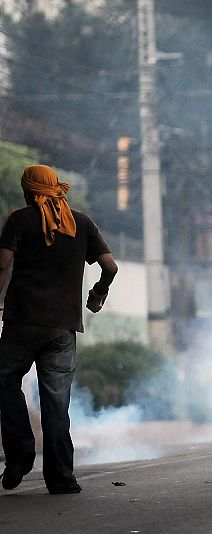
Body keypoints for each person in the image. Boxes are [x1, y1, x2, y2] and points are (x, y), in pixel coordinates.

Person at [0, 164, 117, 494]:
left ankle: (20, 454)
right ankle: (62, 478)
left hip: (22, 322)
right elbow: (110, 266)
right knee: (56, 405)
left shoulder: (18, 220)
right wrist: (98, 294)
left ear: (28, 190)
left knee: (5, 380)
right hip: (63, 329)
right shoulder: (81, 223)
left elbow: (2, 263)